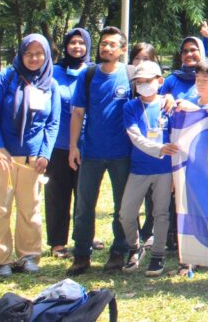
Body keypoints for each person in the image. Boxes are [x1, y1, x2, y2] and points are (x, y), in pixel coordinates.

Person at [0, 34, 60, 276]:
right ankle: (1, 259)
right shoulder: (6, 77)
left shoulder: (51, 84)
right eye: (28, 53)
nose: (34, 58)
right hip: (1, 156)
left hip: (32, 158)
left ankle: (28, 256)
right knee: (0, 208)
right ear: (20, 54)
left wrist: (45, 153)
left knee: (30, 209)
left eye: (39, 53)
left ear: (46, 55)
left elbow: (53, 122)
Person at [67, 26, 133, 275]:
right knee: (84, 206)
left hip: (122, 153)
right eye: (103, 43)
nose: (106, 48)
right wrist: (73, 146)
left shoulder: (130, 75)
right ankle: (81, 254)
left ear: (122, 50)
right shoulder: (89, 75)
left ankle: (119, 251)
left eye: (112, 44)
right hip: (91, 152)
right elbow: (78, 113)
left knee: (122, 207)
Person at [120, 60, 176, 277]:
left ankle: (158, 255)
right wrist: (160, 148)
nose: (143, 86)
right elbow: (135, 137)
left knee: (161, 213)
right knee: (126, 213)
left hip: (164, 170)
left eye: (147, 81)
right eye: (139, 82)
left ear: (159, 81)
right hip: (139, 169)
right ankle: (134, 247)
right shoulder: (130, 107)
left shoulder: (170, 105)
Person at [47, 27, 91, 259]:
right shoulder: (54, 72)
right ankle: (57, 242)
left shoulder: (93, 72)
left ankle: (84, 237)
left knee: (84, 195)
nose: (76, 47)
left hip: (87, 144)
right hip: (58, 144)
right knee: (58, 193)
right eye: (72, 42)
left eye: (81, 43)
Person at [160, 37, 201, 103]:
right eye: (185, 51)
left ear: (201, 52)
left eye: (193, 50)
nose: (189, 54)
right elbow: (160, 108)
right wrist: (166, 97)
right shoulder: (171, 80)